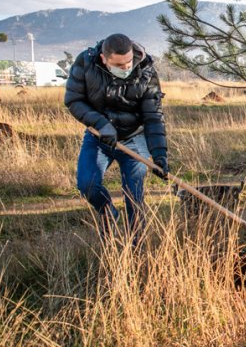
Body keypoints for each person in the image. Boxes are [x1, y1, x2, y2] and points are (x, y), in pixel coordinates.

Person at [64, 33, 168, 243]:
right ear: (104, 59)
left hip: (134, 139)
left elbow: (153, 115)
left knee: (134, 196)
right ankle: (108, 212)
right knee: (87, 185)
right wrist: (101, 124)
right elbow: (74, 100)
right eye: (119, 65)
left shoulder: (146, 69)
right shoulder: (86, 63)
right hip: (98, 137)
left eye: (128, 62)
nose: (126, 68)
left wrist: (159, 154)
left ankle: (136, 248)